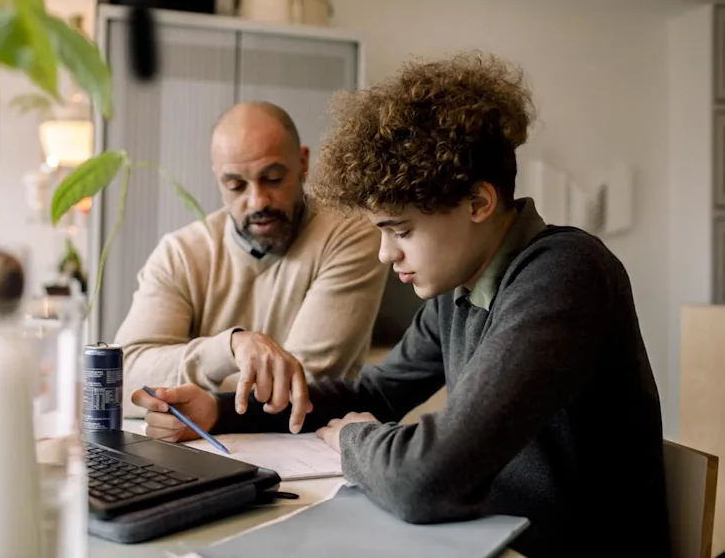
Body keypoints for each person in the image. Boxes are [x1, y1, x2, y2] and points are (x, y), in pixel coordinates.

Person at [130, 54, 669, 557]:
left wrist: (353, 441)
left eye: (400, 231)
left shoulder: (563, 275)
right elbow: (374, 393)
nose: (387, 254)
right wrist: (218, 411)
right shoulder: (459, 290)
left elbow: (426, 479)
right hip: (489, 539)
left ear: (478, 202)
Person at [116, 101, 388, 419]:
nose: (258, 200)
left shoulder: (350, 234)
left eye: (273, 178)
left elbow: (303, 384)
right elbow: (121, 381)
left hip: (309, 447)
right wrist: (229, 348)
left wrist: (188, 396)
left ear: (303, 163)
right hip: (198, 447)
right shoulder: (180, 253)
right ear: (218, 179)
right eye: (236, 186)